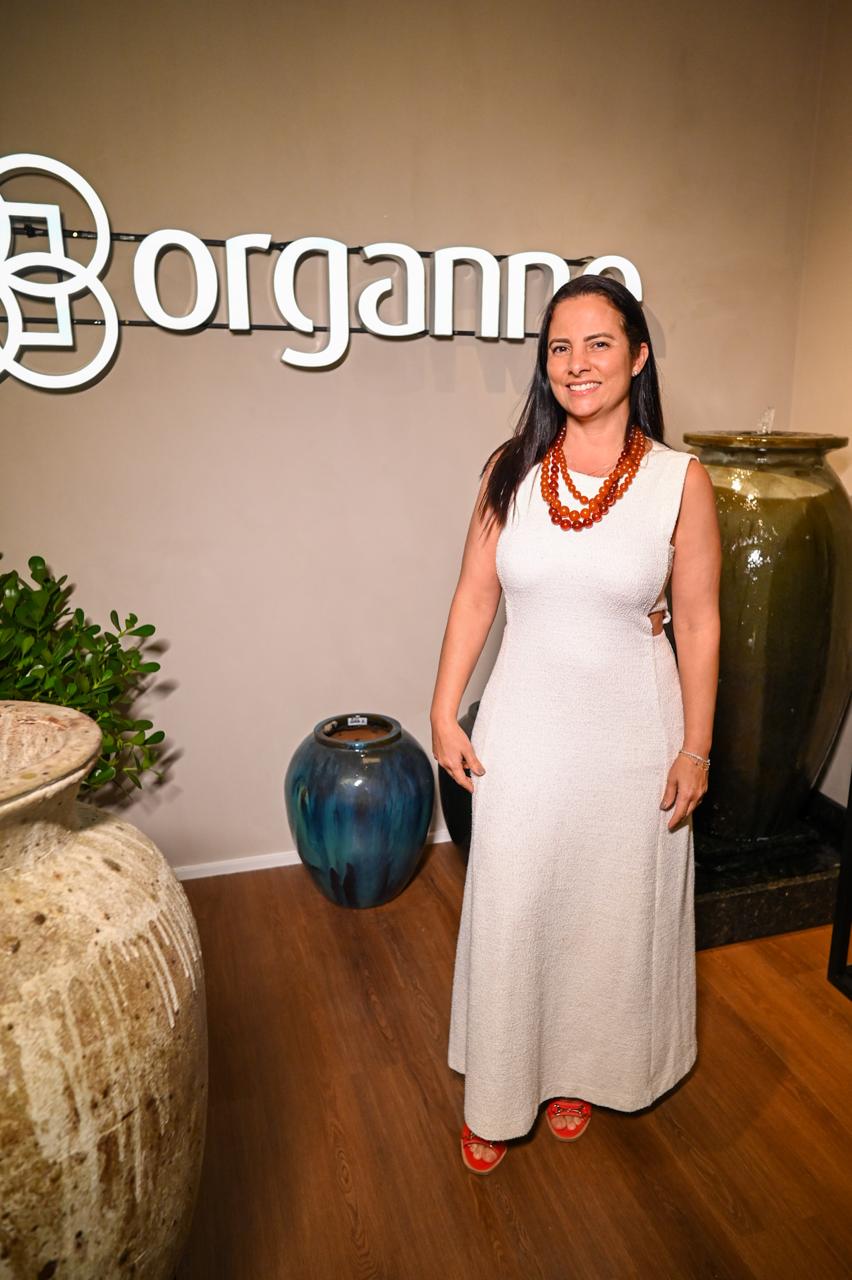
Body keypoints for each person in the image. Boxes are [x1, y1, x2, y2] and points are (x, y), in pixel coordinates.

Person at [429, 275, 721, 1173]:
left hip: (635, 736)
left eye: (599, 343)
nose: (577, 363)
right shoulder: (510, 468)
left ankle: (580, 1070)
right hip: (525, 729)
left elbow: (699, 620)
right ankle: (498, 1090)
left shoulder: (680, 480)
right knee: (514, 906)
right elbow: (475, 596)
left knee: (608, 914)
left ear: (637, 357)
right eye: (560, 346)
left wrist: (697, 748)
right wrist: (442, 707)